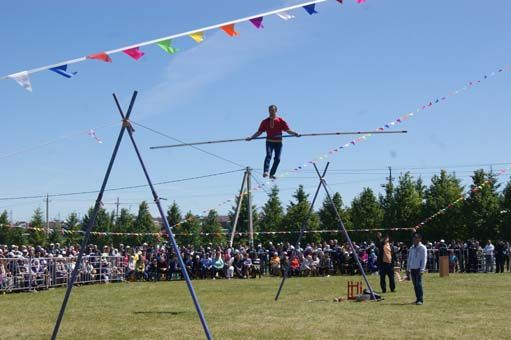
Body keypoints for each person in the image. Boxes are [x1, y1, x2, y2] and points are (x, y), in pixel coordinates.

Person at [246, 105, 300, 179]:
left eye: (273, 110)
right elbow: (259, 132)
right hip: (269, 142)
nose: (271, 112)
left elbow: (288, 130)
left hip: (278, 142)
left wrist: (295, 134)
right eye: (270, 110)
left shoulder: (280, 120)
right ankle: (266, 171)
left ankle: (272, 174)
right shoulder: (265, 121)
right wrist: (251, 137)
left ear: (276, 111)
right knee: (269, 155)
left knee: (277, 159)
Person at [407, 233, 427, 305]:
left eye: (415, 238)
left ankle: (420, 300)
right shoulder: (411, 248)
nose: (414, 239)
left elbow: (424, 259)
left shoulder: (422, 248)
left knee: (418, 284)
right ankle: (417, 298)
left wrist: (422, 269)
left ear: (419, 239)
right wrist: (408, 269)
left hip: (418, 269)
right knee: (415, 284)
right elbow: (409, 259)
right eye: (413, 238)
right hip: (412, 269)